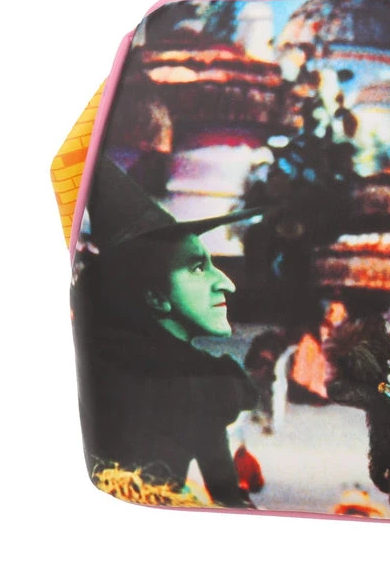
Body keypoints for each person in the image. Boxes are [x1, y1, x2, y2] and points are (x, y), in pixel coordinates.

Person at [72, 158, 260, 509]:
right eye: (197, 267)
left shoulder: (93, 362)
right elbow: (226, 495)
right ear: (155, 297)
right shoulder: (198, 384)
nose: (226, 283)